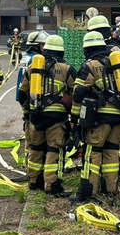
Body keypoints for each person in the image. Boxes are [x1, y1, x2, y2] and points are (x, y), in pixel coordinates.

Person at [70, 31, 120, 203]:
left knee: (92, 153)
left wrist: (74, 118)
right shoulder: (117, 62)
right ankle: (110, 191)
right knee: (111, 153)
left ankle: (87, 192)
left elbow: (78, 93)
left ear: (87, 48)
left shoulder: (90, 65)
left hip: (100, 118)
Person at [17, 35, 76, 193]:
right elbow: (76, 95)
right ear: (62, 50)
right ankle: (52, 186)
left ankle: (33, 182)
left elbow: (22, 94)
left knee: (35, 148)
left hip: (35, 116)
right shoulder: (67, 69)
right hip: (56, 118)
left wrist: (27, 115)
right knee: (54, 150)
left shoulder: (32, 68)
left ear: (46, 49)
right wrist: (74, 119)